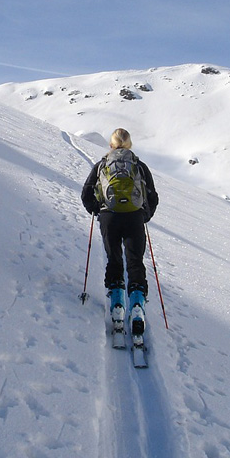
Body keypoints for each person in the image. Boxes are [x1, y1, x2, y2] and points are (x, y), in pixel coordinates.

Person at [81, 128, 159, 318]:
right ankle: (138, 305)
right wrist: (144, 215)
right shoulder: (139, 166)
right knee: (135, 261)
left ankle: (117, 305)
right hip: (134, 216)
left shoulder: (102, 165)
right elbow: (153, 196)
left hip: (109, 217)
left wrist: (96, 209)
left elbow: (86, 194)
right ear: (129, 144)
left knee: (114, 259)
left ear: (111, 144)